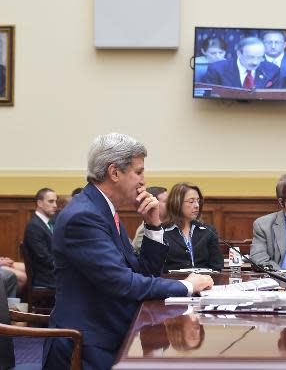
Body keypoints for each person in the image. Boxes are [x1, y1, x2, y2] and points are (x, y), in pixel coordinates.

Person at [42, 133, 213, 370]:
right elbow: (123, 282)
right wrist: (187, 286)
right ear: (114, 173)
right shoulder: (84, 217)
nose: (144, 181)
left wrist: (153, 225)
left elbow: (143, 273)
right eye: (139, 172)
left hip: (109, 331)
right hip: (86, 346)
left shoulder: (103, 210)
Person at [162, 183, 223, 271]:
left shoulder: (208, 231)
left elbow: (217, 266)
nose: (197, 205)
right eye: (191, 201)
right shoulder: (162, 232)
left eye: (198, 201)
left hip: (204, 282)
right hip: (174, 282)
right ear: (177, 203)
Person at [201, 36, 280, 89]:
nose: (255, 62)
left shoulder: (272, 70)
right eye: (250, 57)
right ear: (239, 53)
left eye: (259, 57)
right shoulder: (216, 69)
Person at [23, 188, 59, 288]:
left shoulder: (52, 223)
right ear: (39, 203)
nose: (55, 205)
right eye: (51, 201)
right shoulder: (34, 227)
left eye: (56, 201)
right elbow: (45, 259)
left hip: (55, 273)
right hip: (46, 278)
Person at [131, 186, 167, 254]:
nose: (170, 204)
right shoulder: (146, 228)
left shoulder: (171, 224)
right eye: (166, 201)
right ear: (153, 204)